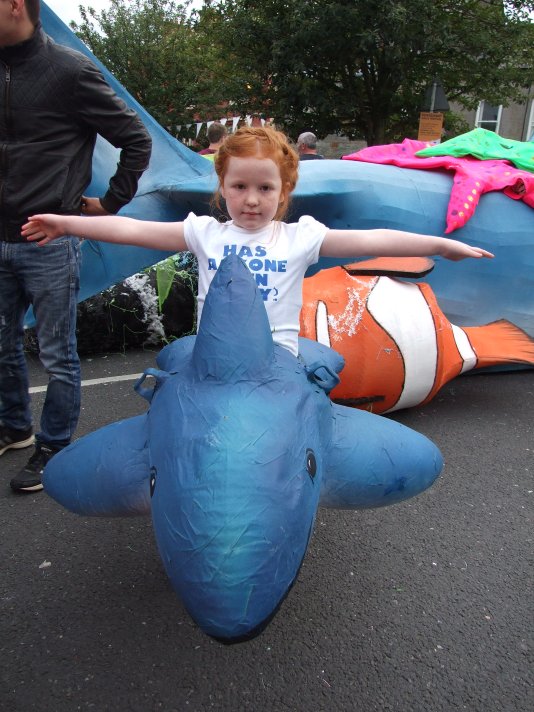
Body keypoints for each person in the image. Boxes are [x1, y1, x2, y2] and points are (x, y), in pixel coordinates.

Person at [22, 126, 493, 362]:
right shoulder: (205, 234)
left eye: (265, 188)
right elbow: (130, 230)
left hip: (278, 365)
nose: (251, 199)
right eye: (240, 187)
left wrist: (438, 245)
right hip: (214, 359)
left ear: (283, 192)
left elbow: (372, 238)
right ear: (223, 189)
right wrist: (67, 224)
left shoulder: (300, 238)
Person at [0, 0, 152, 493]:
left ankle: (54, 444)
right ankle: (15, 427)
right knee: (1, 344)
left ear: (15, 5)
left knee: (56, 352)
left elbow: (136, 139)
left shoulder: (69, 70)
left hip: (47, 241)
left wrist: (110, 203)